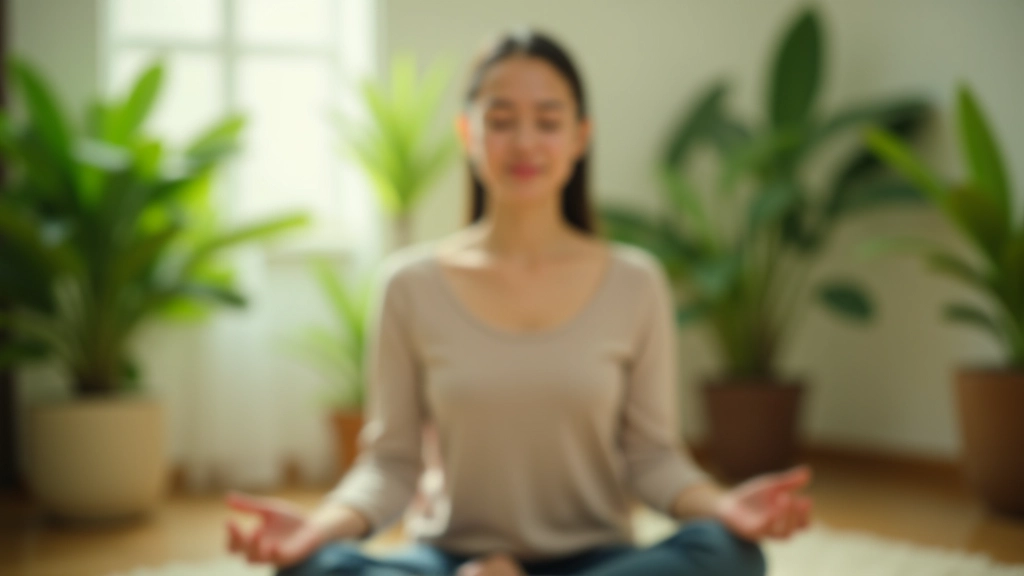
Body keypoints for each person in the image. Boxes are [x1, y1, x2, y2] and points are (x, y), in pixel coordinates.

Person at [225, 27, 813, 576]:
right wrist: (317, 528)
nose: (525, 141)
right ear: (467, 134)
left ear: (581, 135)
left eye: (548, 120)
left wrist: (725, 508)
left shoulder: (636, 282)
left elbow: (654, 457)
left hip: (598, 559)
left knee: (728, 551)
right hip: (450, 559)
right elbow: (391, 464)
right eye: (501, 119)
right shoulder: (410, 284)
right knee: (310, 566)